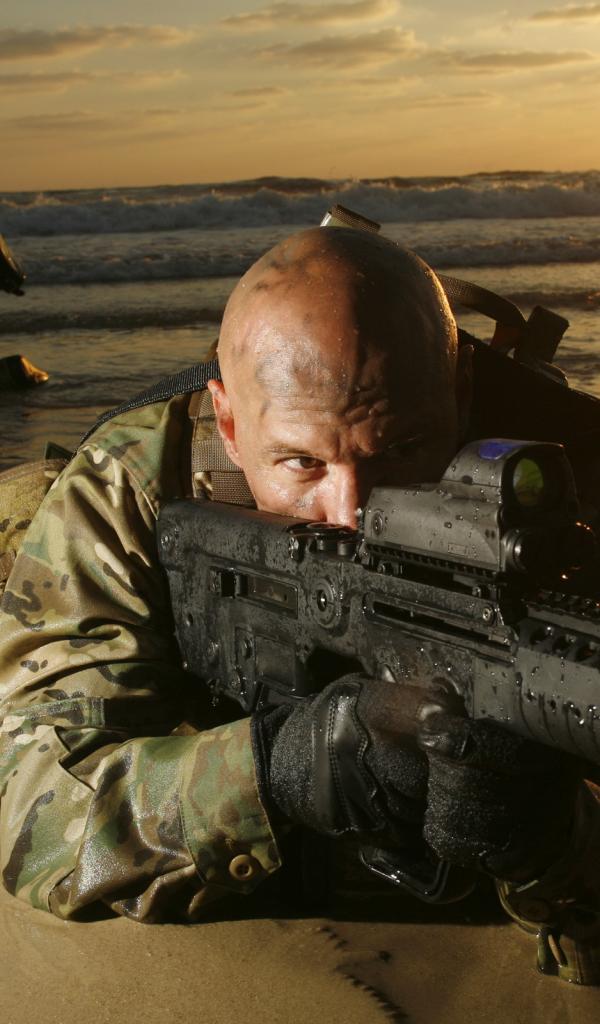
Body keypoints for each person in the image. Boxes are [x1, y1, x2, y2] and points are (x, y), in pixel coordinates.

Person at [0, 227, 598, 983]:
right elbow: (37, 818)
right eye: (302, 462)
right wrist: (282, 766)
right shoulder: (139, 480)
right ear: (227, 424)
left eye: (400, 449)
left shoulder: (574, 481)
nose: (351, 512)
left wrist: (552, 844)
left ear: (461, 392)